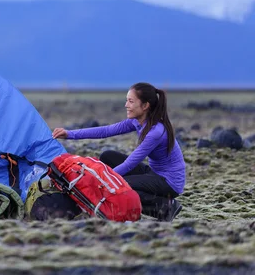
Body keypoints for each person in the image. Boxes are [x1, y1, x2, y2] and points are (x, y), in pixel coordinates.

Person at [52, 82, 185, 221]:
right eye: (126, 100)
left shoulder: (156, 132)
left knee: (123, 186)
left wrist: (104, 182)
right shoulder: (137, 121)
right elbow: (106, 131)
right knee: (107, 156)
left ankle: (166, 207)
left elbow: (131, 163)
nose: (126, 105)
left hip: (169, 182)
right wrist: (69, 134)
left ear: (145, 106)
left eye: (131, 101)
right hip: (154, 174)